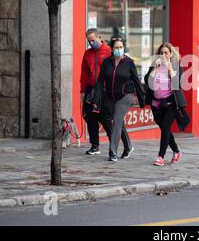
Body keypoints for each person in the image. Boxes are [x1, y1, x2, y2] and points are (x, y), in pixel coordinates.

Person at [80, 29, 133, 157]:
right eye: (89, 41)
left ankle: (123, 146)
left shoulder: (109, 51)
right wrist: (82, 91)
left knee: (108, 119)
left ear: (99, 37)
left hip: (107, 90)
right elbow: (84, 73)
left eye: (93, 40)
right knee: (89, 116)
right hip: (91, 89)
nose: (91, 43)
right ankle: (95, 145)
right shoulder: (87, 54)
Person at [95, 37, 145, 162]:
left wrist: (142, 99)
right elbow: (100, 81)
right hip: (110, 97)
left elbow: (137, 81)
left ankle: (112, 152)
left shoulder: (129, 62)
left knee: (116, 122)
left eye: (121, 47)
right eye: (116, 47)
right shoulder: (107, 62)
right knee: (118, 122)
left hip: (125, 96)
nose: (119, 49)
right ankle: (128, 146)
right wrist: (96, 99)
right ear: (111, 49)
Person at [144, 42, 187, 166]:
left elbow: (178, 83)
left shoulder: (176, 65)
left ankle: (160, 157)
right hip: (156, 103)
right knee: (164, 128)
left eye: (166, 53)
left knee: (165, 126)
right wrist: (154, 69)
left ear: (171, 54)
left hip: (170, 103)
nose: (163, 55)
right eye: (161, 53)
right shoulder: (155, 64)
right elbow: (147, 81)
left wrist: (170, 69)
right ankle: (176, 151)